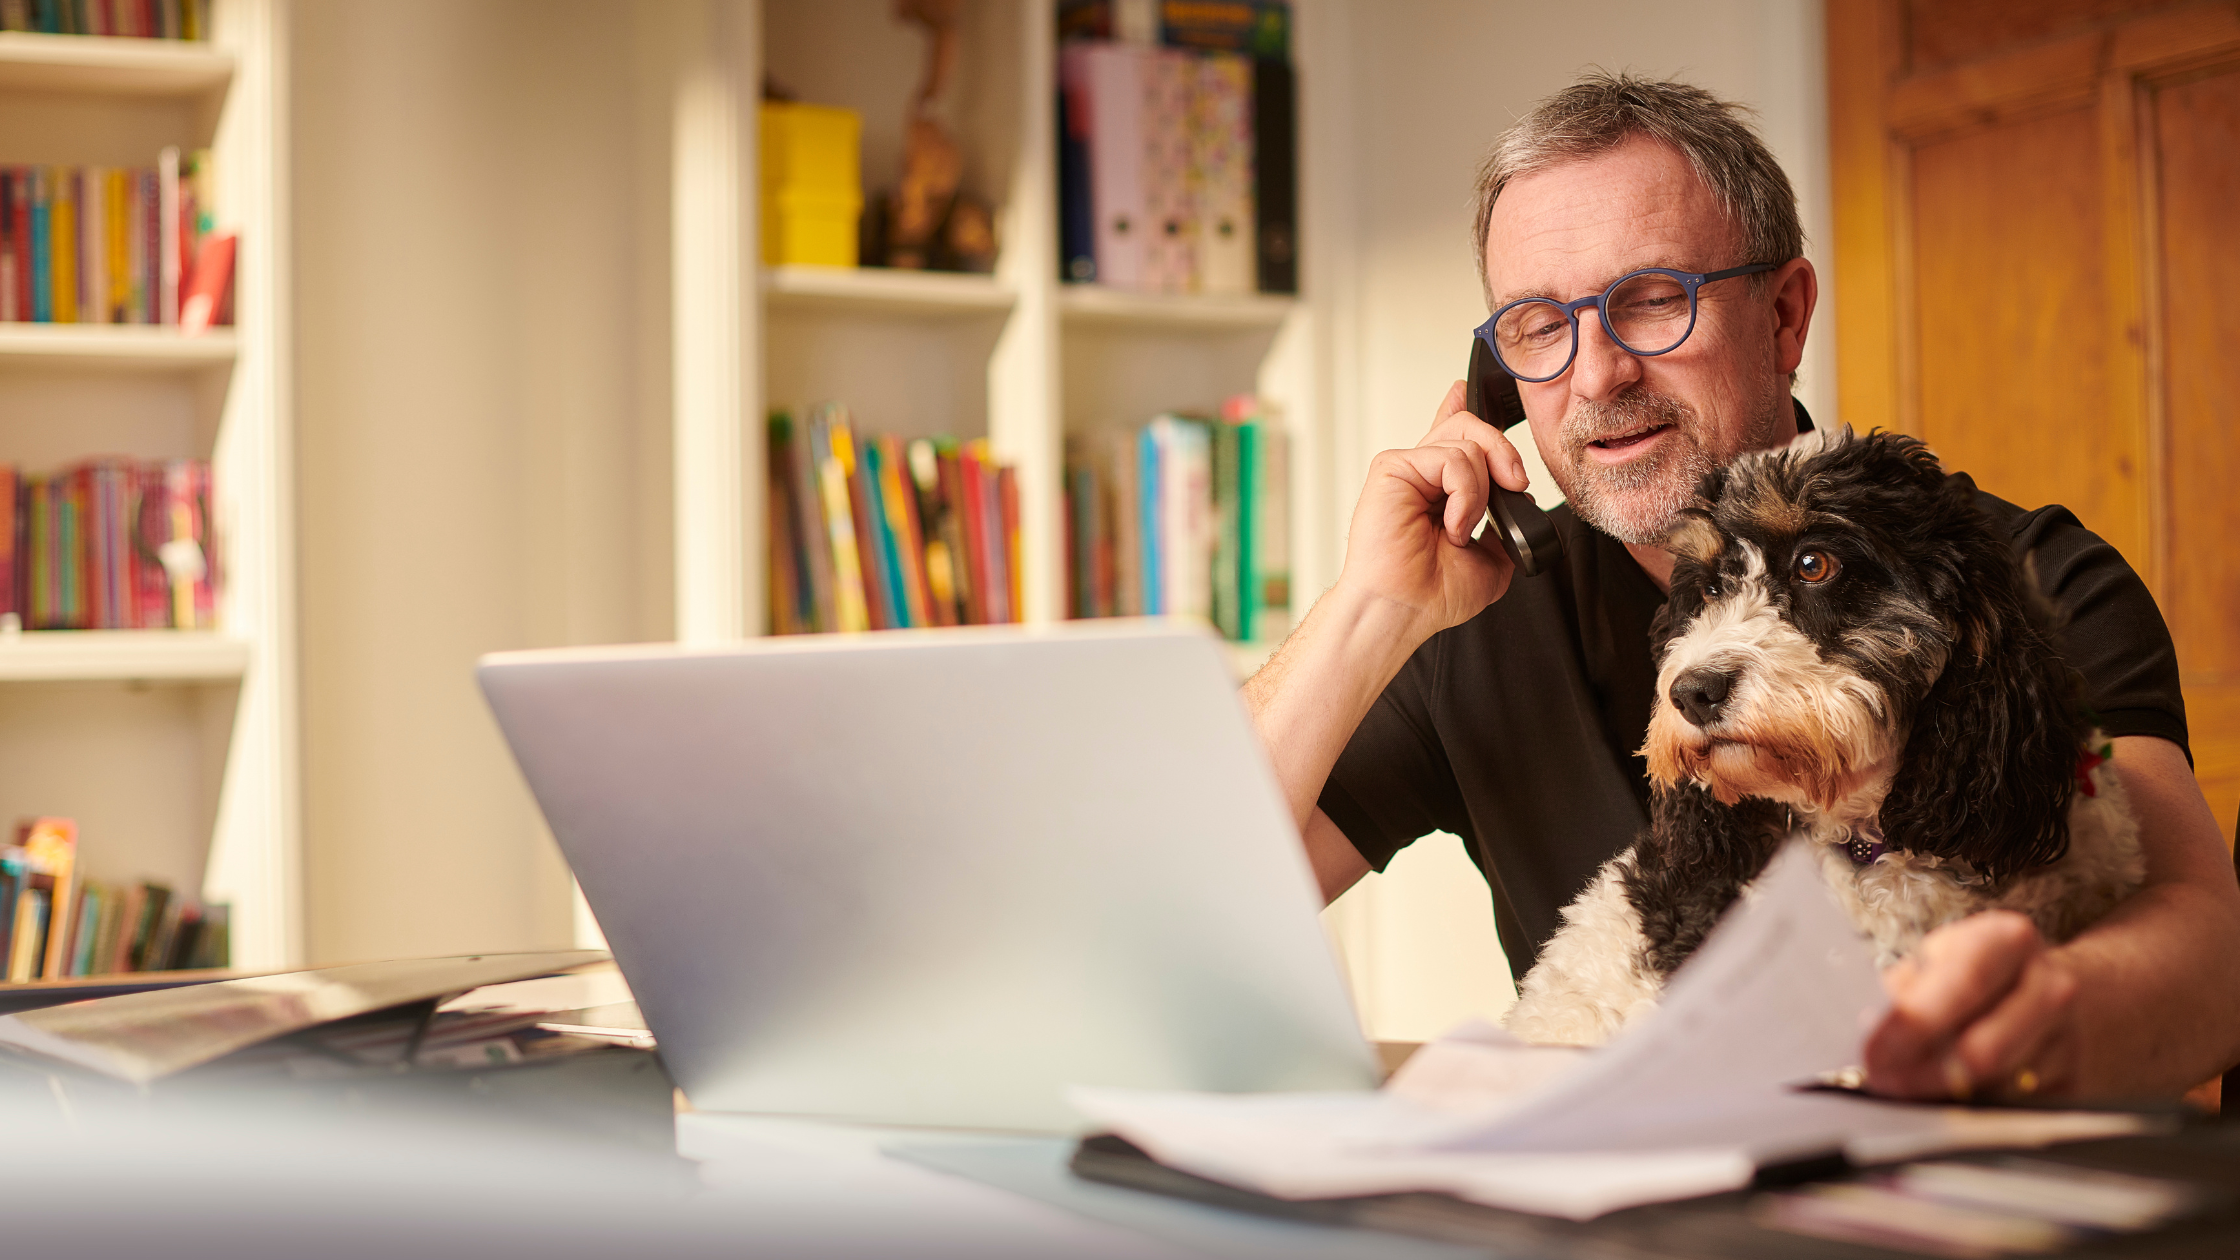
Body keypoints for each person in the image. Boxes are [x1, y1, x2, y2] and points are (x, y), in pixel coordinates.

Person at [1244, 73, 2240, 1102]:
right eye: (1537, 327)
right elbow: (1173, 901)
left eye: (1649, 301)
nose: (1593, 378)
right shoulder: (1474, 611)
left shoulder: (2019, 580)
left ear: (1782, 314)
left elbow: (2208, 963)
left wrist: (2017, 1026)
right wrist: (1369, 609)